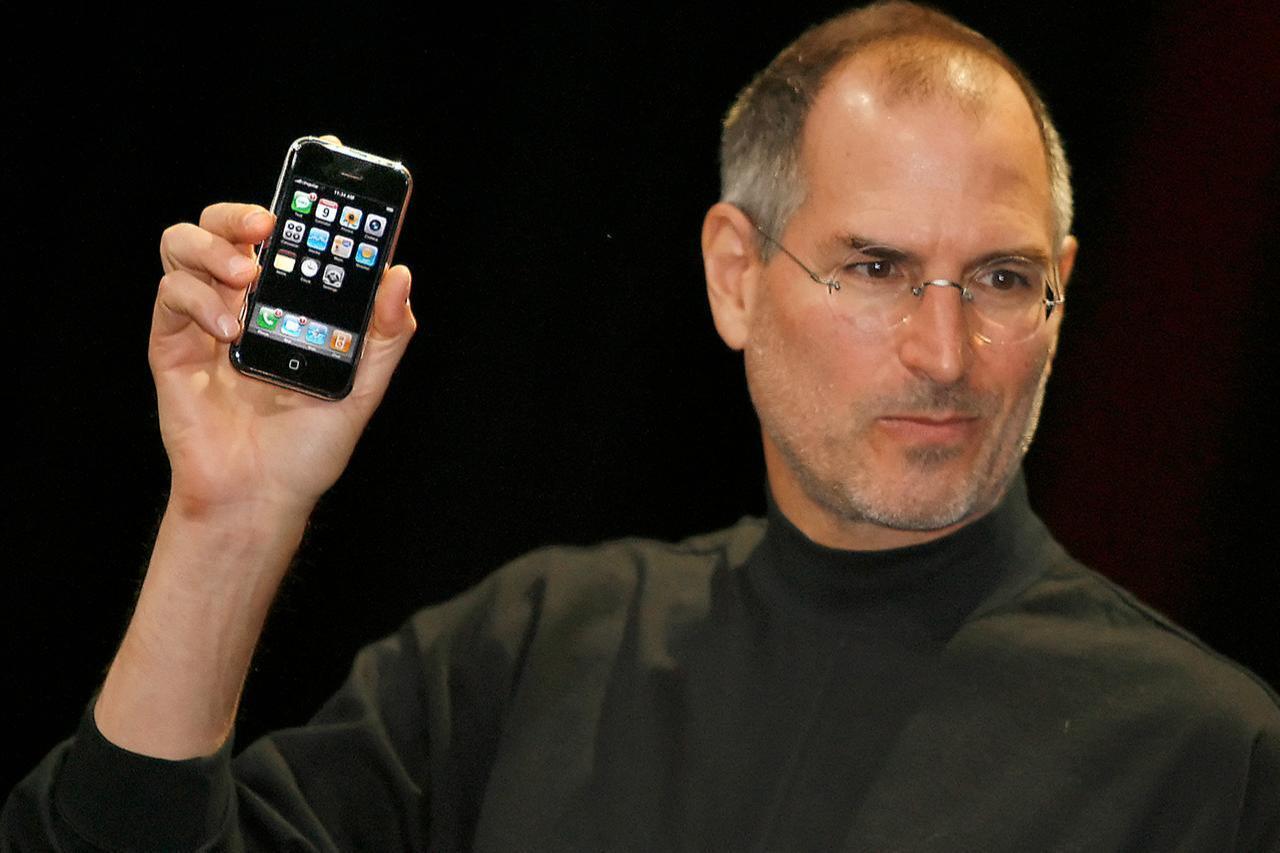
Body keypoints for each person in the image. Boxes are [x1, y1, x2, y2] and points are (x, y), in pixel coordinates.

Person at [4, 2, 1278, 849]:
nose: (945, 355)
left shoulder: (1210, 759)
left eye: (1000, 279)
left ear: (1062, 284)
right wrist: (226, 521)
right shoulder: (529, 654)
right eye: (874, 268)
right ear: (735, 276)